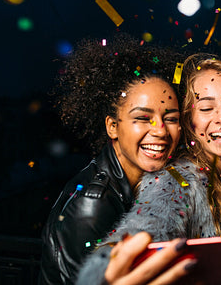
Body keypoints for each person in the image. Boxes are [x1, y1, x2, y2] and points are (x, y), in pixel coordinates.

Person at [76, 56, 221, 284]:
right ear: (188, 121)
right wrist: (107, 274)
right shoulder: (177, 181)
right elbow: (148, 225)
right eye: (206, 107)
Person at [39, 34, 183, 285]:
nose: (160, 130)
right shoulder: (93, 206)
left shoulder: (154, 183)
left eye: (170, 118)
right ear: (113, 127)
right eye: (142, 118)